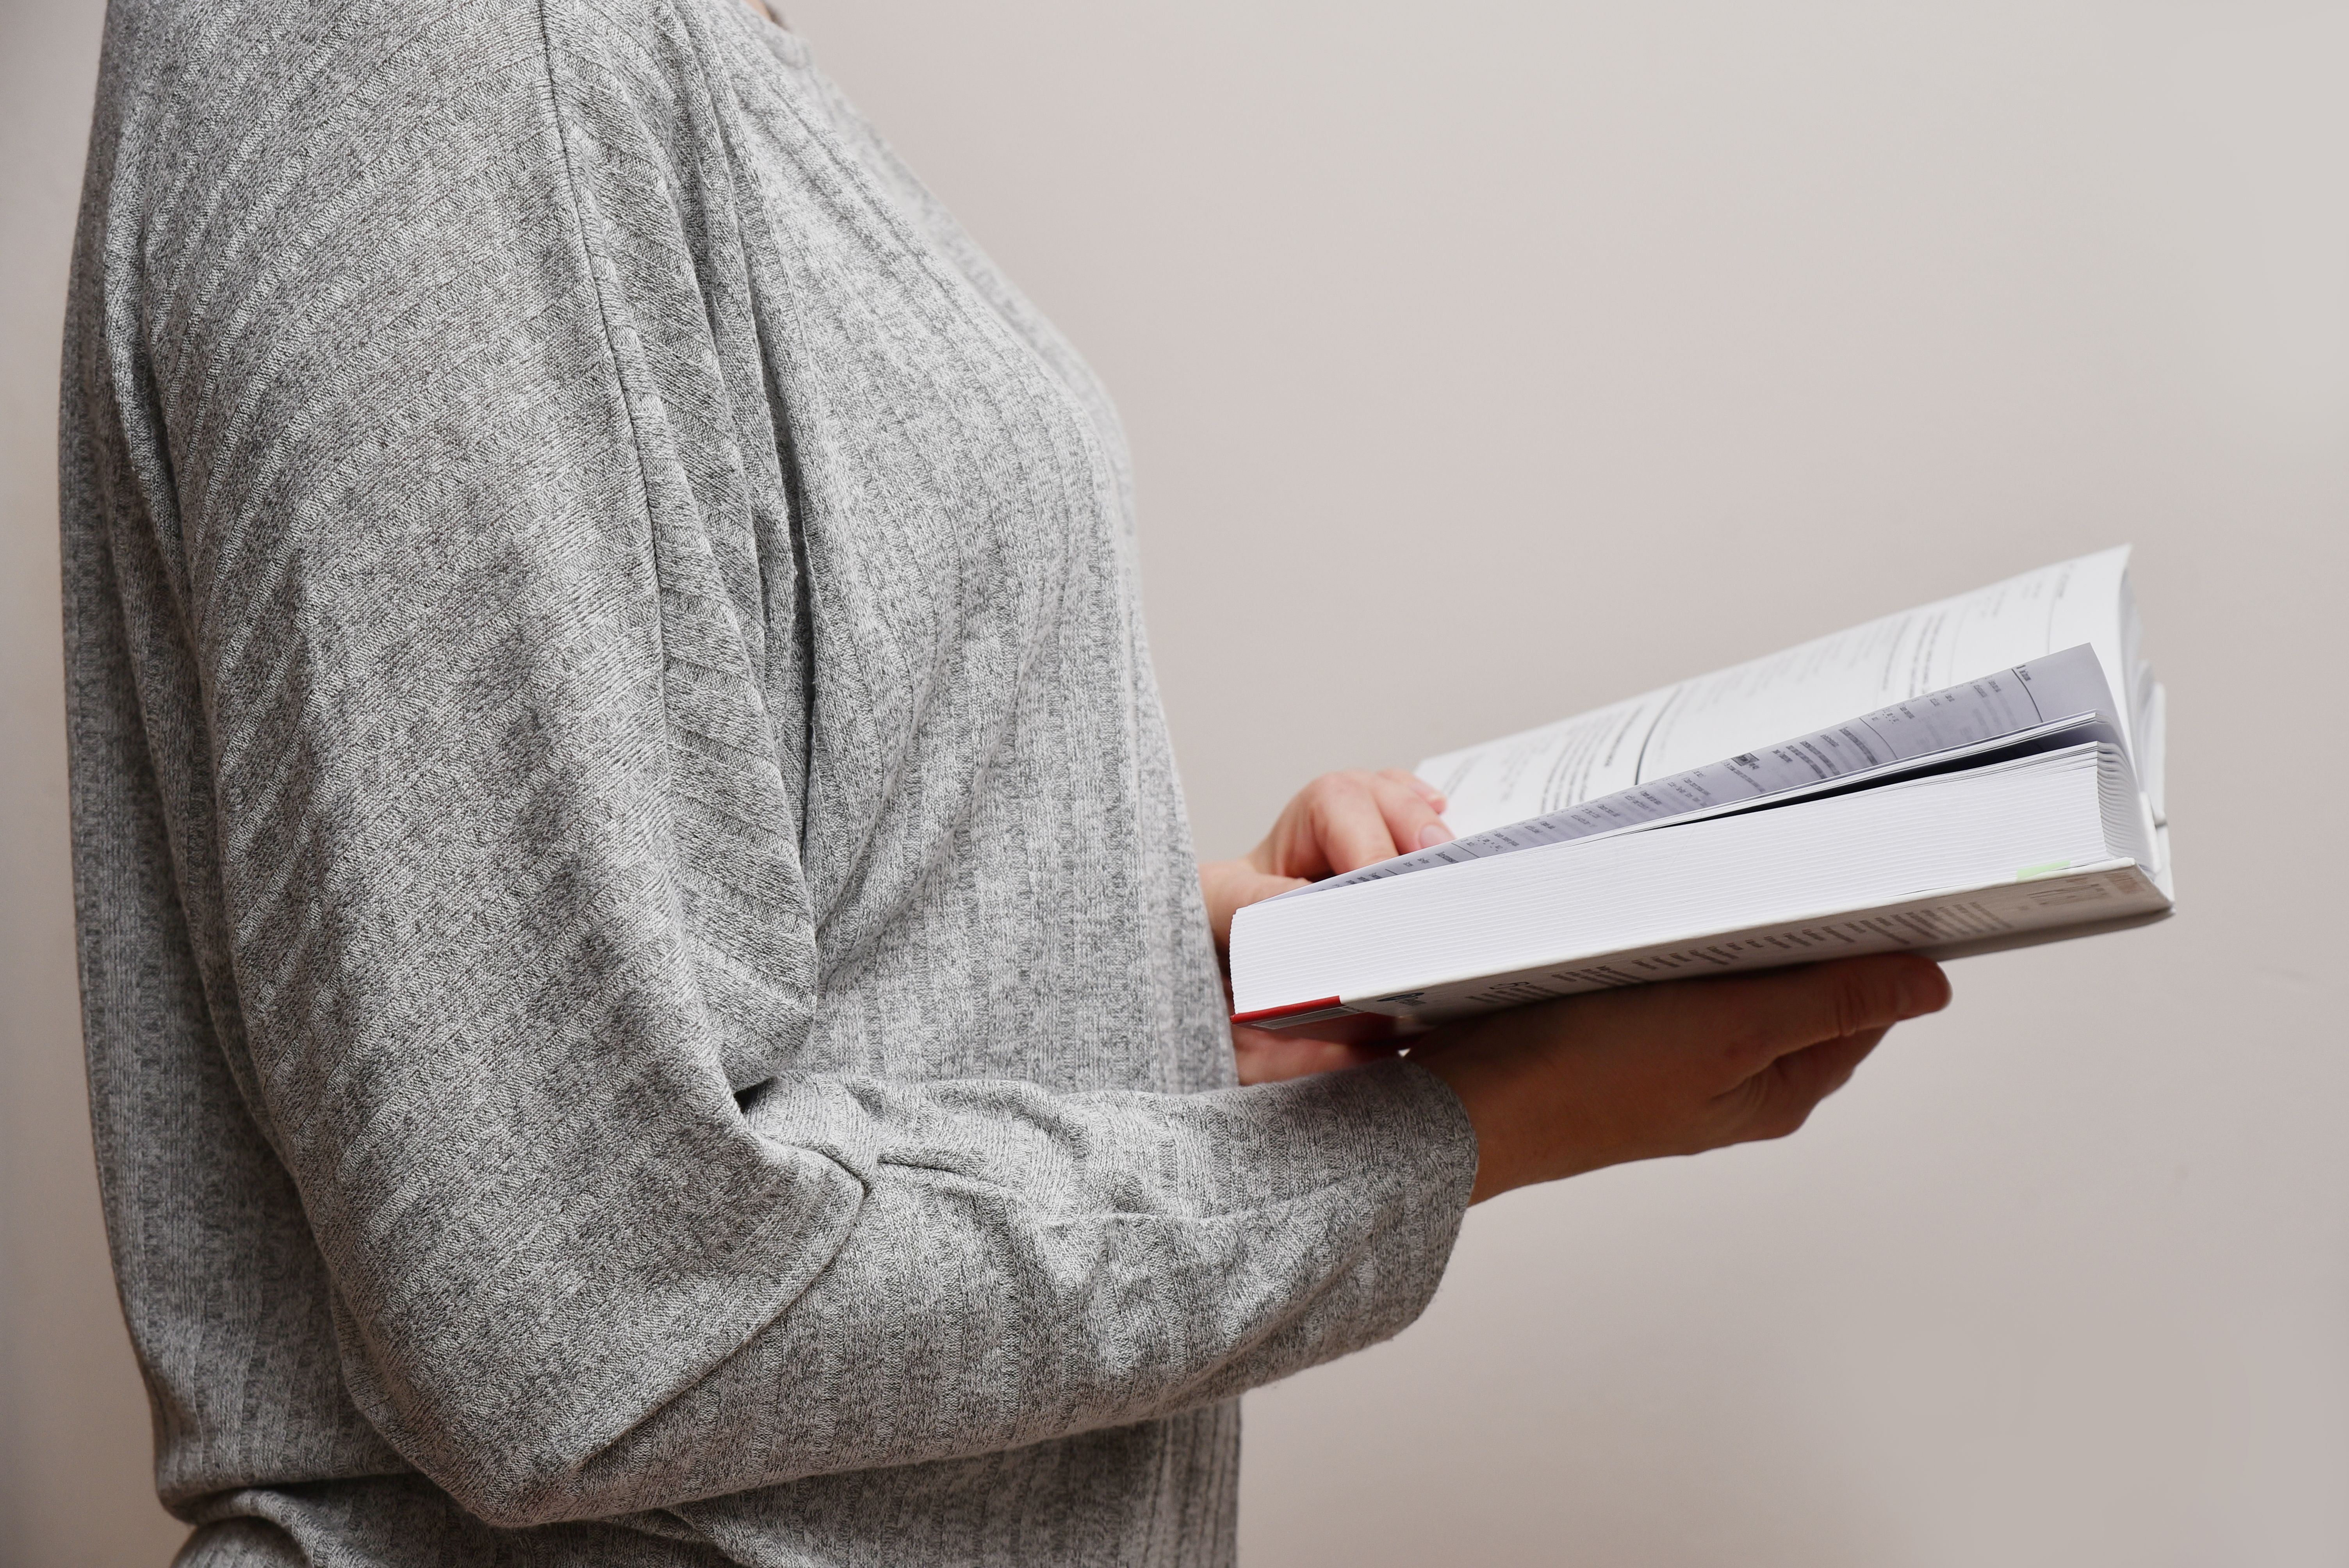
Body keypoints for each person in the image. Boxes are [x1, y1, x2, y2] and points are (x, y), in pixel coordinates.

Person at [57, 0, 1951, 1563]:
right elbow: (585, 1312)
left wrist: (1148, 965)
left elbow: (640, 956)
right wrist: (1466, 1129)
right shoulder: (426, 51)